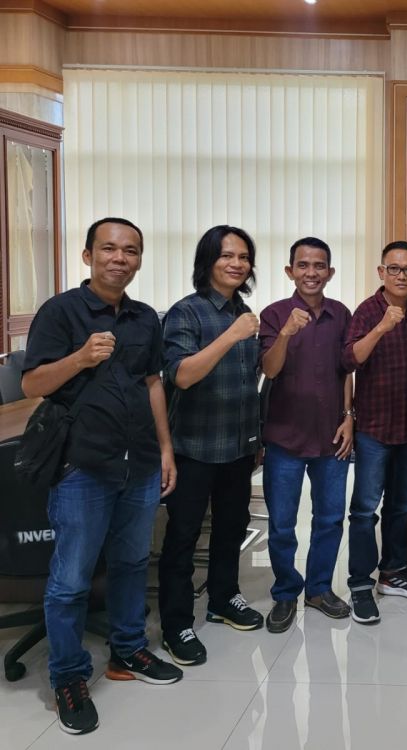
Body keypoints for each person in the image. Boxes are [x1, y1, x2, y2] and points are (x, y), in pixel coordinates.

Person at [21, 217, 182, 735]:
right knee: (71, 579)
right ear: (88, 255)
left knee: (133, 562)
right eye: (109, 249)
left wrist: (165, 448)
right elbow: (32, 383)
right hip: (82, 466)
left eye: (130, 250)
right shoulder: (60, 311)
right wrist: (80, 357)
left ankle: (128, 649)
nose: (120, 258)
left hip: (139, 462)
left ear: (139, 259)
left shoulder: (144, 317)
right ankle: (68, 676)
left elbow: (153, 383)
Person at [158, 225, 264, 666]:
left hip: (237, 445)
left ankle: (223, 598)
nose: (237, 264)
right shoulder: (186, 313)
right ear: (208, 262)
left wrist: (256, 437)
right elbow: (181, 375)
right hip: (194, 447)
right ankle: (176, 624)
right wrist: (231, 336)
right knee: (183, 536)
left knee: (232, 527)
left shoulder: (244, 312)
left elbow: (249, 380)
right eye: (227, 255)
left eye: (243, 257)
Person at [258, 237, 354, 634]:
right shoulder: (274, 314)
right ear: (290, 271)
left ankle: (318, 589)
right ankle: (285, 593)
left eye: (319, 266)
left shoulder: (341, 314)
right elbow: (270, 369)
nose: (311, 272)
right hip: (284, 437)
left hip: (331, 436)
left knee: (330, 518)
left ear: (329, 272)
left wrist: (349, 416)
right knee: (282, 523)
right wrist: (285, 334)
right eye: (303, 265)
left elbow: (346, 369)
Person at [343, 240, 407, 625]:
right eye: (394, 269)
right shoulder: (367, 311)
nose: (401, 275)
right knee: (365, 509)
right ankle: (360, 584)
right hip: (375, 428)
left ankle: (393, 572)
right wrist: (382, 326)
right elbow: (350, 359)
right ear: (381, 272)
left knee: (403, 505)